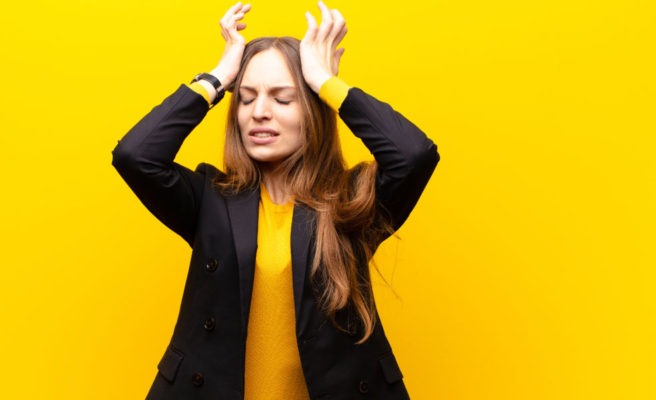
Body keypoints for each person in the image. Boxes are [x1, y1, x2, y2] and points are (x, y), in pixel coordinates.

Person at [112, 2, 439, 399]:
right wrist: (216, 79)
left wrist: (325, 84)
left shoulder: (351, 204)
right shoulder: (210, 200)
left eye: (283, 99)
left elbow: (413, 155)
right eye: (246, 99)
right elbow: (136, 155)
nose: (259, 113)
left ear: (314, 112)